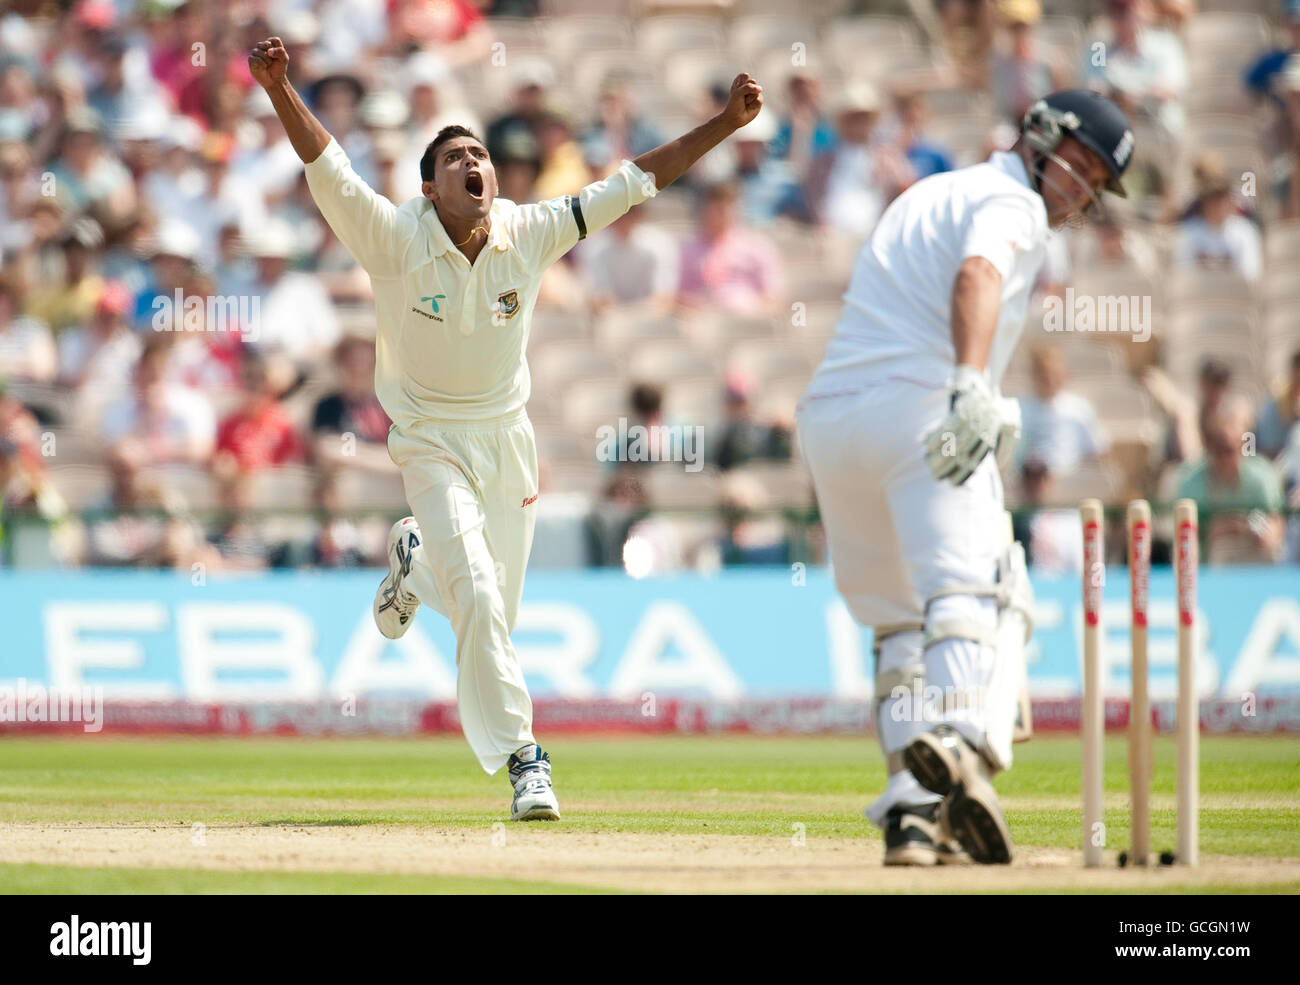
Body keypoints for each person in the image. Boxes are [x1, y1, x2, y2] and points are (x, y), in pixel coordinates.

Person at [247, 35, 764, 822]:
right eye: (455, 157)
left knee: (493, 611)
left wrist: (725, 124)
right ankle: (528, 760)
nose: (473, 164)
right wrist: (280, 89)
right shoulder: (392, 238)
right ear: (429, 185)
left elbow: (634, 183)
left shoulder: (529, 230)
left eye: (480, 153)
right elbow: (329, 168)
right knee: (481, 596)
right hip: (427, 439)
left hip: (505, 439)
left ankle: (414, 570)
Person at [796, 90, 1133, 866]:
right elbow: (977, 274)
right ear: (1041, 136)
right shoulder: (1008, 201)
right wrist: (972, 383)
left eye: (1095, 182)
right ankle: (961, 740)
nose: (1080, 188)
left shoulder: (931, 190)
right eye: (1078, 164)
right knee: (985, 591)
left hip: (834, 425)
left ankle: (913, 816)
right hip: (922, 413)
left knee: (900, 622)